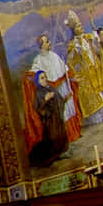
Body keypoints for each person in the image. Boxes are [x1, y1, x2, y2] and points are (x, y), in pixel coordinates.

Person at [22, 34, 81, 166]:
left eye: (48, 41)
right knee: (56, 124)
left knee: (64, 115)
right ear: (41, 45)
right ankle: (59, 149)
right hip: (50, 99)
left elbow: (65, 70)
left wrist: (73, 78)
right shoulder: (38, 60)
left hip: (59, 90)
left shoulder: (54, 55)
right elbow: (34, 75)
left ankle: (67, 143)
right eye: (47, 42)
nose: (49, 43)